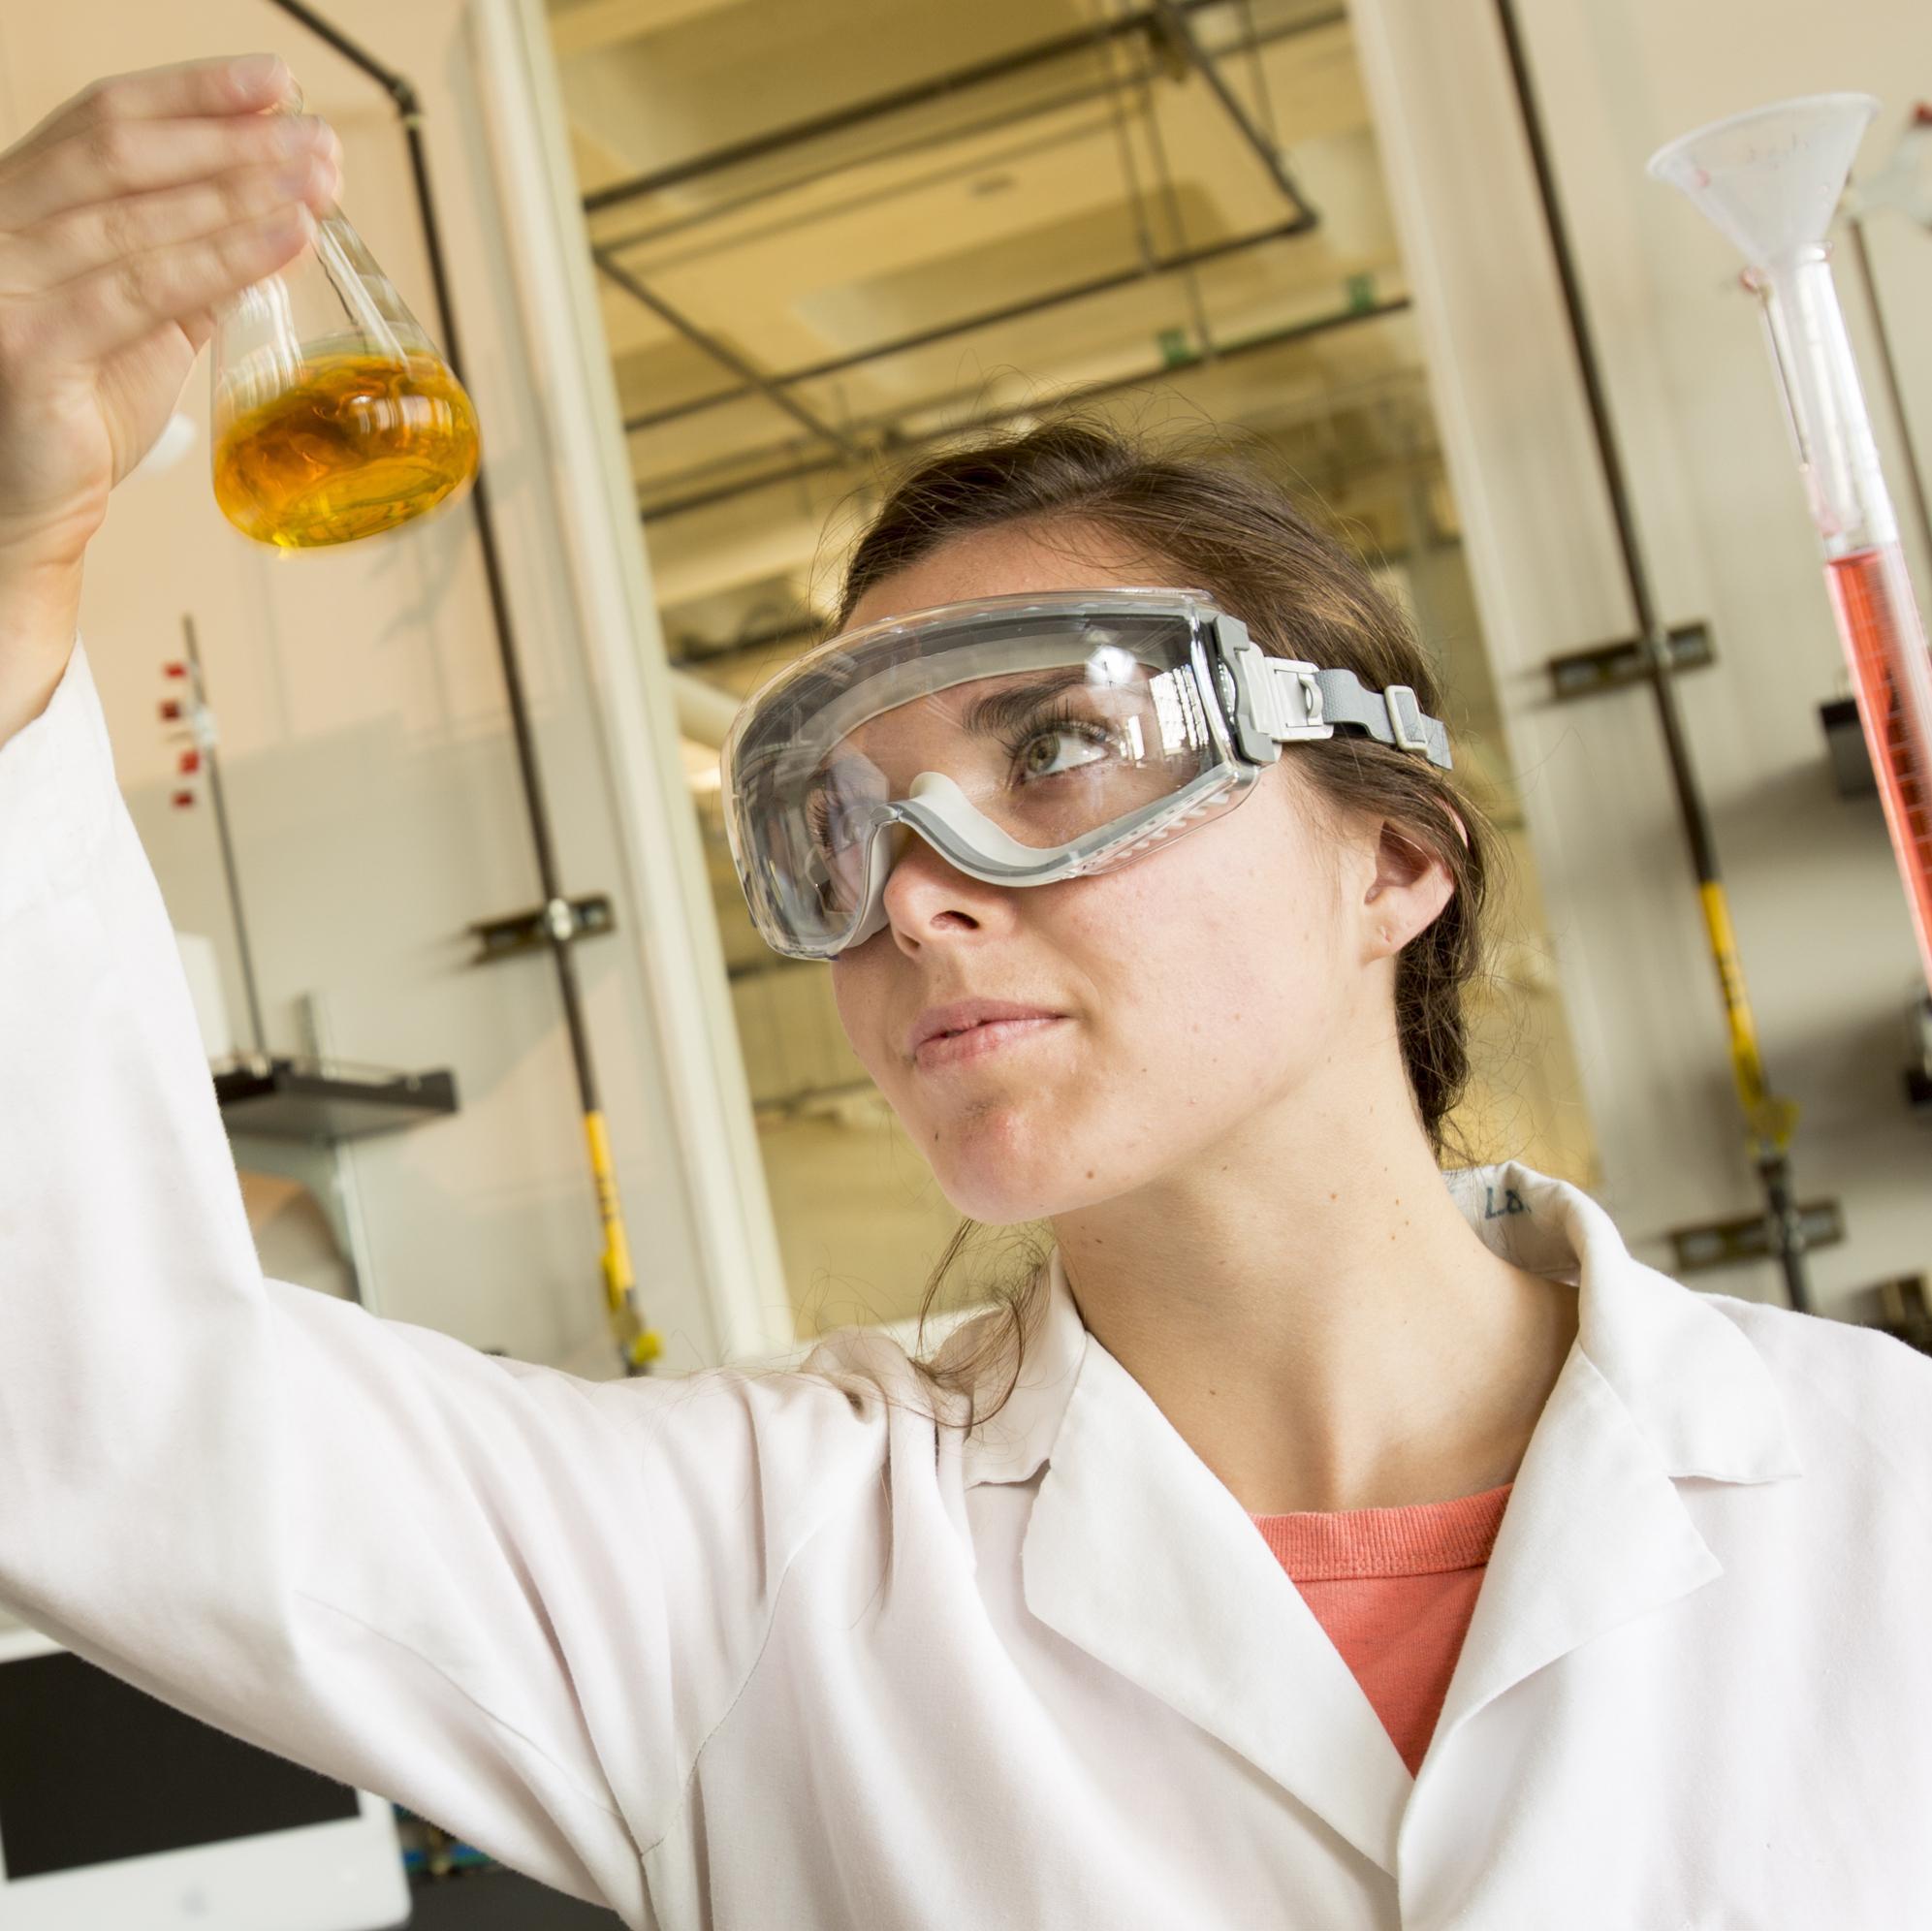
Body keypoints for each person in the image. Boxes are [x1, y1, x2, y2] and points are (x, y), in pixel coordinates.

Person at [1, 54, 1928, 1931]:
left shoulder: (1881, 1492)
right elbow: (86, 1397)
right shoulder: (740, 1563)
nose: (915, 896)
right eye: (838, 824)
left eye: (1058, 747)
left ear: (1394, 859)